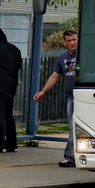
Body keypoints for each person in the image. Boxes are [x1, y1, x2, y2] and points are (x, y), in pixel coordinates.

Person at [34, 29, 78, 167]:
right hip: (71, 96)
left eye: (74, 40)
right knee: (72, 127)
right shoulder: (62, 58)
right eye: (69, 40)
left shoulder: (84, 54)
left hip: (84, 95)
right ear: (64, 42)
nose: (72, 43)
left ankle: (71, 156)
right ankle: (71, 157)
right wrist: (43, 91)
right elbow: (54, 76)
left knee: (76, 127)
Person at [0, 28, 22, 153]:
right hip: (11, 85)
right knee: (8, 114)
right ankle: (12, 143)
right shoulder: (15, 50)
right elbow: (18, 66)